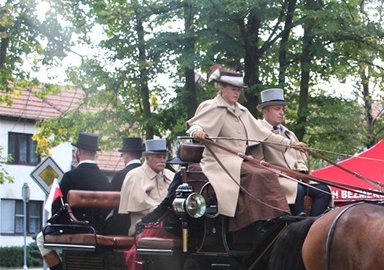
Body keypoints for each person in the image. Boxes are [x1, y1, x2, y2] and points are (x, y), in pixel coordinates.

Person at [186, 65, 308, 231]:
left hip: (241, 160)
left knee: (266, 172)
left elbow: (265, 135)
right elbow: (195, 125)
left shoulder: (242, 111)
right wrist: (197, 132)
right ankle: (259, 220)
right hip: (219, 161)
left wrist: (290, 143)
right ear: (222, 88)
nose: (236, 93)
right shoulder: (211, 106)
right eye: (233, 89)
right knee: (260, 174)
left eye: (239, 90)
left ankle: (274, 218)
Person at [36, 132, 111, 270]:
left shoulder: (70, 177)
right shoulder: (104, 179)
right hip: (99, 229)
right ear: (94, 153)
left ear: (79, 152)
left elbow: (58, 207)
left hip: (74, 229)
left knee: (41, 239)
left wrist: (54, 223)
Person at [256, 88, 331, 216]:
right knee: (297, 190)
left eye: (283, 109)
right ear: (265, 111)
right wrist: (282, 173)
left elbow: (300, 159)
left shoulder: (289, 134)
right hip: (275, 179)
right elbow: (258, 162)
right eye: (277, 109)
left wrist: (301, 171)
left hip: (296, 179)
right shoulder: (258, 131)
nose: (282, 113)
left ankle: (314, 224)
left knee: (324, 190)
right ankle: (298, 225)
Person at [118, 138, 174, 235]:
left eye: (164, 157)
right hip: (144, 229)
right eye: (158, 157)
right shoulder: (135, 175)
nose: (162, 160)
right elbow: (140, 202)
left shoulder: (171, 175)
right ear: (147, 157)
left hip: (170, 228)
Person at [103, 136, 144, 234]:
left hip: (123, 224)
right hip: (144, 223)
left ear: (126, 155)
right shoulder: (148, 174)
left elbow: (109, 202)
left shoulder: (120, 175)